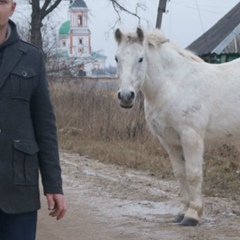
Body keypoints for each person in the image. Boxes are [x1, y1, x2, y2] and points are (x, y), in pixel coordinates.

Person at [0, 1, 67, 239]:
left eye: (2, 2)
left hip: (19, 186)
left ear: (13, 8)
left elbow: (45, 127)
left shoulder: (31, 57)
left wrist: (53, 186)